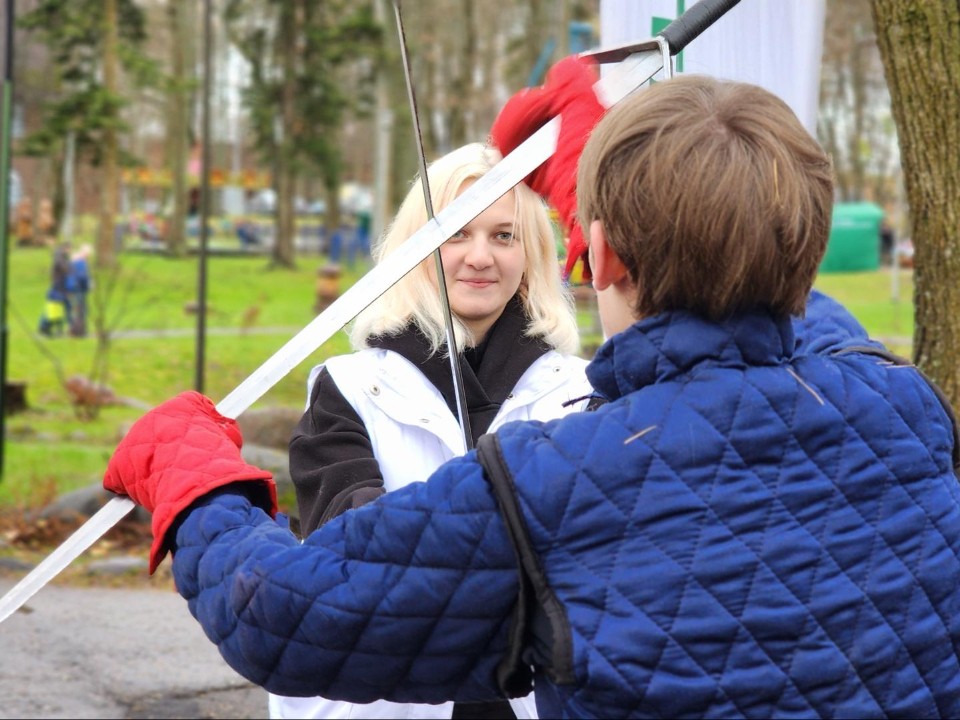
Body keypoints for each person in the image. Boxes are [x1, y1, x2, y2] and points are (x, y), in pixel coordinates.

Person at [103, 73, 960, 718]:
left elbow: (284, 612)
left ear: (599, 258)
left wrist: (194, 477)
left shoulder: (556, 483)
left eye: (506, 235)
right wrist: (608, 191)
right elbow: (785, 306)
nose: (479, 256)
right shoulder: (899, 404)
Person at [271, 142, 594, 720]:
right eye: (456, 234)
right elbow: (354, 542)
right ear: (415, 248)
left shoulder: (582, 392)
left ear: (532, 253)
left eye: (503, 236)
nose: (480, 257)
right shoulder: (347, 391)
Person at [65, 244, 93, 337]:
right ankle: (79, 330)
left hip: (71, 287)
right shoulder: (81, 262)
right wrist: (89, 285)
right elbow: (82, 277)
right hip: (78, 288)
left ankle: (74, 329)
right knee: (81, 309)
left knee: (74, 308)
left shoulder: (73, 261)